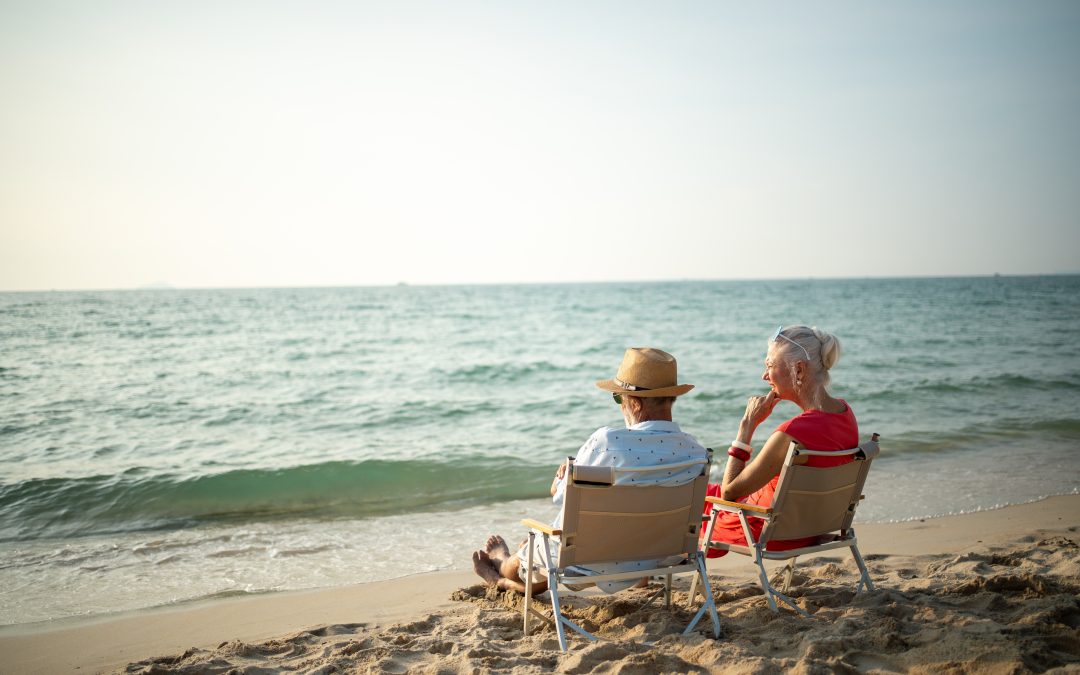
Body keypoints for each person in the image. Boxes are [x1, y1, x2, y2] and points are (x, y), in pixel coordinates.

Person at [472, 347, 709, 595]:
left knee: (532, 550)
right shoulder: (696, 453)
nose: (620, 406)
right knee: (549, 552)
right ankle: (509, 567)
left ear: (635, 404)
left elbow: (561, 496)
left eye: (619, 398)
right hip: (658, 556)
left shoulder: (607, 441)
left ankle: (500, 568)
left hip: (587, 560)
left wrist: (560, 478)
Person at [702, 325, 858, 556]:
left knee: (691, 501)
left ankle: (646, 568)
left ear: (799, 370)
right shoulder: (846, 413)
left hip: (765, 531)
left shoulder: (791, 434)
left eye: (770, 366)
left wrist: (747, 428)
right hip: (807, 526)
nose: (764, 376)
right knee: (705, 492)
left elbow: (729, 493)